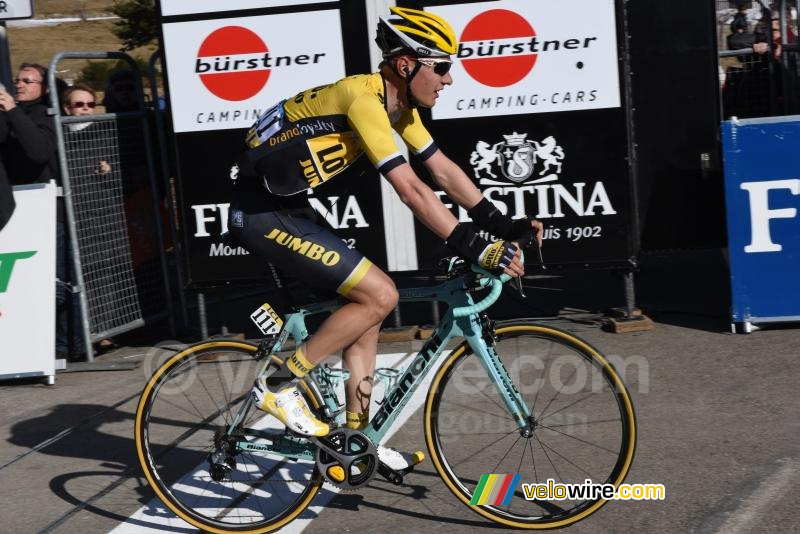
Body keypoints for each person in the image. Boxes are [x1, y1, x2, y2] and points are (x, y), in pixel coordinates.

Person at [229, 7, 543, 474]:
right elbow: (411, 189)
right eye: (441, 67)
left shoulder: (399, 107)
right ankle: (279, 386)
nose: (449, 79)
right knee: (381, 294)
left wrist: (503, 226)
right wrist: (476, 247)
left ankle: (354, 443)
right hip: (260, 213)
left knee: (366, 313)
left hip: (288, 207)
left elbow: (442, 170)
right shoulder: (363, 99)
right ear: (405, 65)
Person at [0, 63, 59, 184]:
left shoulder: (47, 113)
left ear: (46, 87)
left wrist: (12, 109)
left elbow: (40, 152)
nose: (19, 85)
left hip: (36, 191)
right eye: (18, 81)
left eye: (27, 81)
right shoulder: (11, 111)